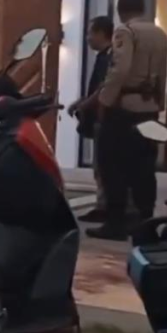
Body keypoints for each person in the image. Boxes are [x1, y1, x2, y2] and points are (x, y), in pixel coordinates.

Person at [86, 0, 167, 241]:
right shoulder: (160, 34)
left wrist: (104, 101)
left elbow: (119, 71)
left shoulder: (125, 32)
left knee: (113, 167)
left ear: (121, 10)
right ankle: (146, 221)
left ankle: (115, 223)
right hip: (149, 106)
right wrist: (159, 102)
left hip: (124, 108)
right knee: (144, 167)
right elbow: (163, 72)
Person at [68, 16, 117, 223]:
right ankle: (102, 203)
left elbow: (102, 88)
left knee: (103, 165)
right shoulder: (103, 57)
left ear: (101, 33)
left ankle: (104, 206)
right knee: (100, 165)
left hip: (103, 118)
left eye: (90, 33)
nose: (87, 38)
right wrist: (81, 102)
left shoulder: (108, 58)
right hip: (98, 117)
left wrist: (85, 104)